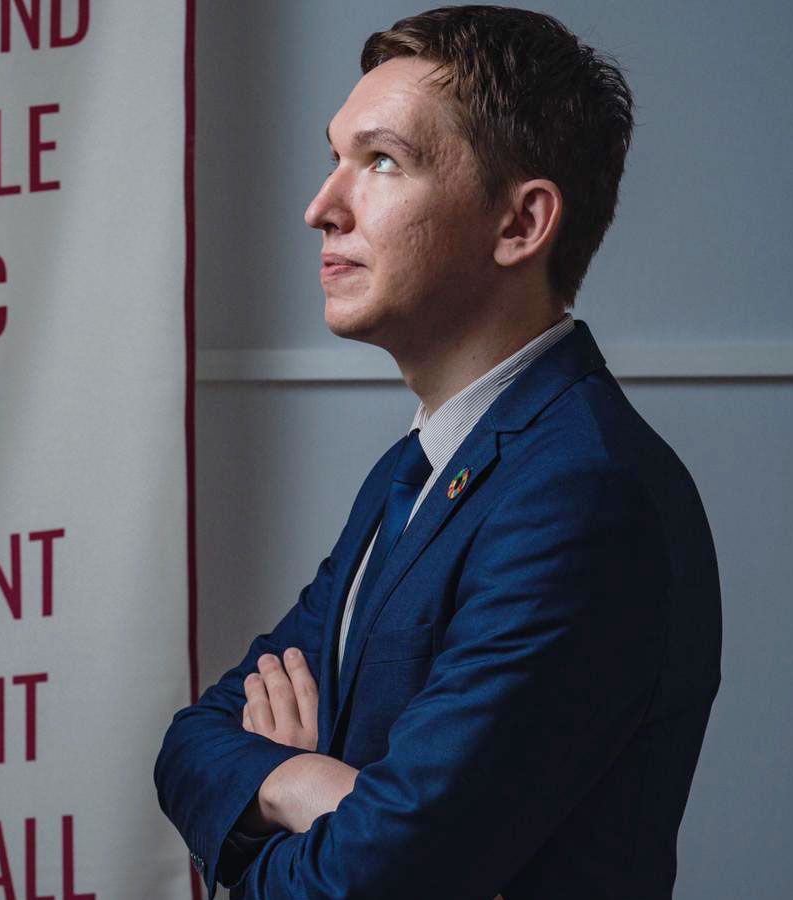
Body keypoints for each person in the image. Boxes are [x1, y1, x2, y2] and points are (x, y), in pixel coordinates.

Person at [154, 6, 722, 898]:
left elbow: (377, 881)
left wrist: (278, 821)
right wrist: (309, 783)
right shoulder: (414, 468)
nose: (321, 207)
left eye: (381, 161)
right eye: (335, 156)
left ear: (520, 224)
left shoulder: (582, 498)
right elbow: (191, 742)